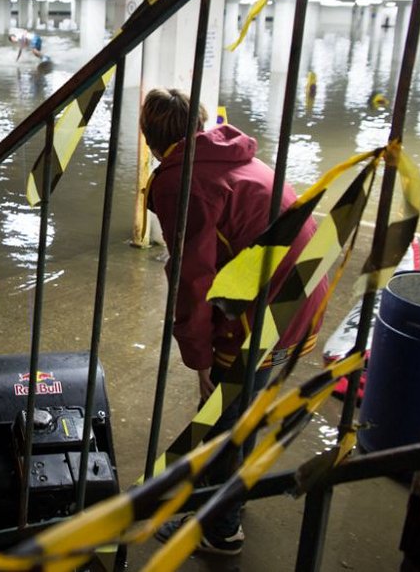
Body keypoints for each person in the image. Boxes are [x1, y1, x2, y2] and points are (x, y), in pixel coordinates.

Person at [140, 88, 327, 556]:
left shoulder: (181, 181)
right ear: (199, 122)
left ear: (150, 139)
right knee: (245, 403)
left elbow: (193, 278)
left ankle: (221, 528)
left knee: (222, 415)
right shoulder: (231, 155)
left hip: (266, 312)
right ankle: (230, 492)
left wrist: (200, 358)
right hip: (304, 293)